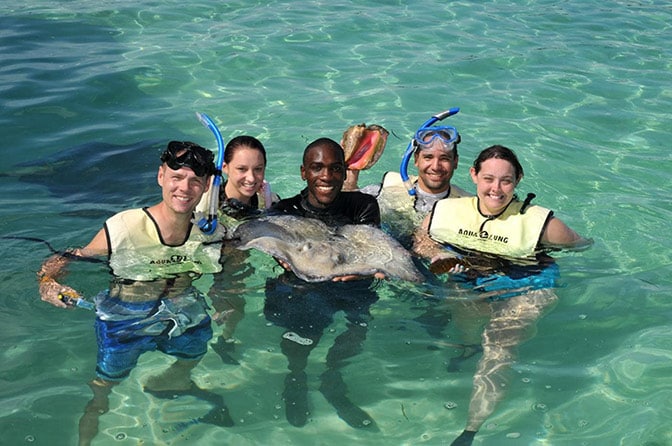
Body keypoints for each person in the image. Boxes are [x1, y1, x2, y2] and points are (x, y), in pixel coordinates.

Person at [37, 141, 233, 446]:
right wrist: (48, 283)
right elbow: (68, 257)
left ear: (207, 185)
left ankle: (172, 379)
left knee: (195, 350)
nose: (185, 188)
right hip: (124, 320)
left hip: (182, 313)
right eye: (176, 177)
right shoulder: (124, 227)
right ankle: (85, 438)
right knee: (104, 389)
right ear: (160, 177)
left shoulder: (210, 234)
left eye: (195, 180)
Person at [413, 144, 592, 446]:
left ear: (518, 181)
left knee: (499, 342)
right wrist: (438, 255)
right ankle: (469, 346)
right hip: (474, 276)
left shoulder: (544, 225)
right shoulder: (446, 212)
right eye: (488, 179)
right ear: (473, 175)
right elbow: (421, 241)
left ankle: (471, 430)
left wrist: (542, 253)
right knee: (459, 302)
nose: (496, 189)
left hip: (529, 283)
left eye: (506, 181)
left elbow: (584, 244)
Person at [263, 137, 383, 429]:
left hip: (352, 282)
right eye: (317, 168)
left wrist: (362, 271)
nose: (326, 177)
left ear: (344, 172)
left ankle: (333, 376)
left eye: (334, 168)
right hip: (302, 287)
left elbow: (371, 250)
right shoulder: (284, 212)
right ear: (303, 172)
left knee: (357, 327)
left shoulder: (363, 206)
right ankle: (297, 375)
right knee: (301, 328)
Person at [199, 135, 279, 364]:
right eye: (242, 169)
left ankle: (224, 339)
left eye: (258, 169)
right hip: (214, 261)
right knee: (232, 307)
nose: (251, 178)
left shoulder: (267, 200)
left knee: (238, 309)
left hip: (242, 262)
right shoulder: (207, 203)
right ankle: (215, 339)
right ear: (224, 168)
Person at [344, 118, 471, 248]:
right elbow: (345, 207)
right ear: (416, 159)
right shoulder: (384, 188)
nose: (435, 166)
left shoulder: (468, 207)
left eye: (444, 158)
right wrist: (350, 179)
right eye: (428, 157)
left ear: (455, 162)